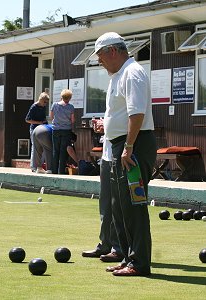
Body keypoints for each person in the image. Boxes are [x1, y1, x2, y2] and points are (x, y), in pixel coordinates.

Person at [92, 32, 156, 276]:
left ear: (112, 51)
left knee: (133, 204)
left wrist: (128, 147)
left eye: (100, 56)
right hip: (122, 144)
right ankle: (128, 258)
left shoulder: (133, 72)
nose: (100, 61)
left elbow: (136, 114)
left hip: (134, 145)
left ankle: (139, 263)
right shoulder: (120, 75)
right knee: (120, 205)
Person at [82, 119, 124, 263]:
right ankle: (105, 244)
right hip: (107, 156)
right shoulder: (110, 96)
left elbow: (127, 120)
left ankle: (118, 248)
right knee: (105, 205)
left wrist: (105, 124)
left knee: (117, 205)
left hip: (119, 155)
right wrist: (103, 123)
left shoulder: (128, 95)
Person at [50, 89, 75, 174]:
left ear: (61, 96)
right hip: (66, 130)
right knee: (63, 151)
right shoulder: (71, 107)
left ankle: (54, 170)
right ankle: (61, 171)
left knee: (55, 150)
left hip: (56, 129)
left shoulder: (54, 105)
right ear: (70, 98)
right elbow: (72, 120)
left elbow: (51, 117)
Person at [25, 92, 50, 173]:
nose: (46, 104)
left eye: (47, 102)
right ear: (41, 100)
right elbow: (27, 120)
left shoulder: (43, 107)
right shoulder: (34, 107)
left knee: (42, 147)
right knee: (35, 148)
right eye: (45, 102)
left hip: (42, 128)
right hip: (34, 129)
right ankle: (33, 167)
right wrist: (39, 122)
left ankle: (40, 166)